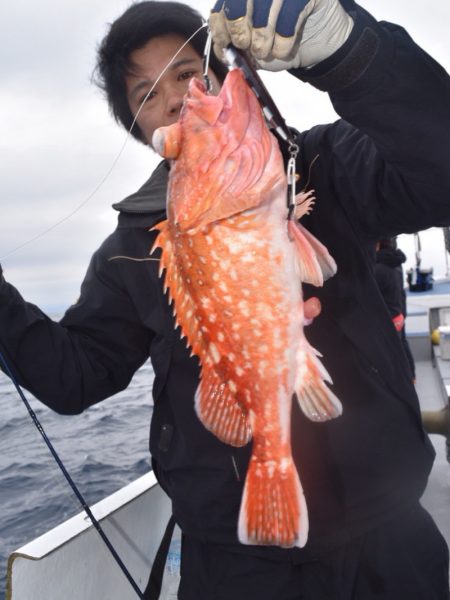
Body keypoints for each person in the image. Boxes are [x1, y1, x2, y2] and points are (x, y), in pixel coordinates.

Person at [1, 0, 450, 598]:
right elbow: (74, 378)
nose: (177, 95)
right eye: (145, 93)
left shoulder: (326, 167)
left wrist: (351, 55)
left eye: (187, 72)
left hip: (388, 534)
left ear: (218, 73)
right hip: (233, 563)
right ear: (143, 129)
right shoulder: (131, 251)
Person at [374, 237, 416, 381]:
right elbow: (400, 290)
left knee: (391, 352)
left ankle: (399, 381)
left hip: (388, 317)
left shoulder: (377, 268)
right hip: (399, 312)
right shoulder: (396, 263)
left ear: (377, 243)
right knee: (402, 345)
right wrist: (403, 314)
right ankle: (411, 376)